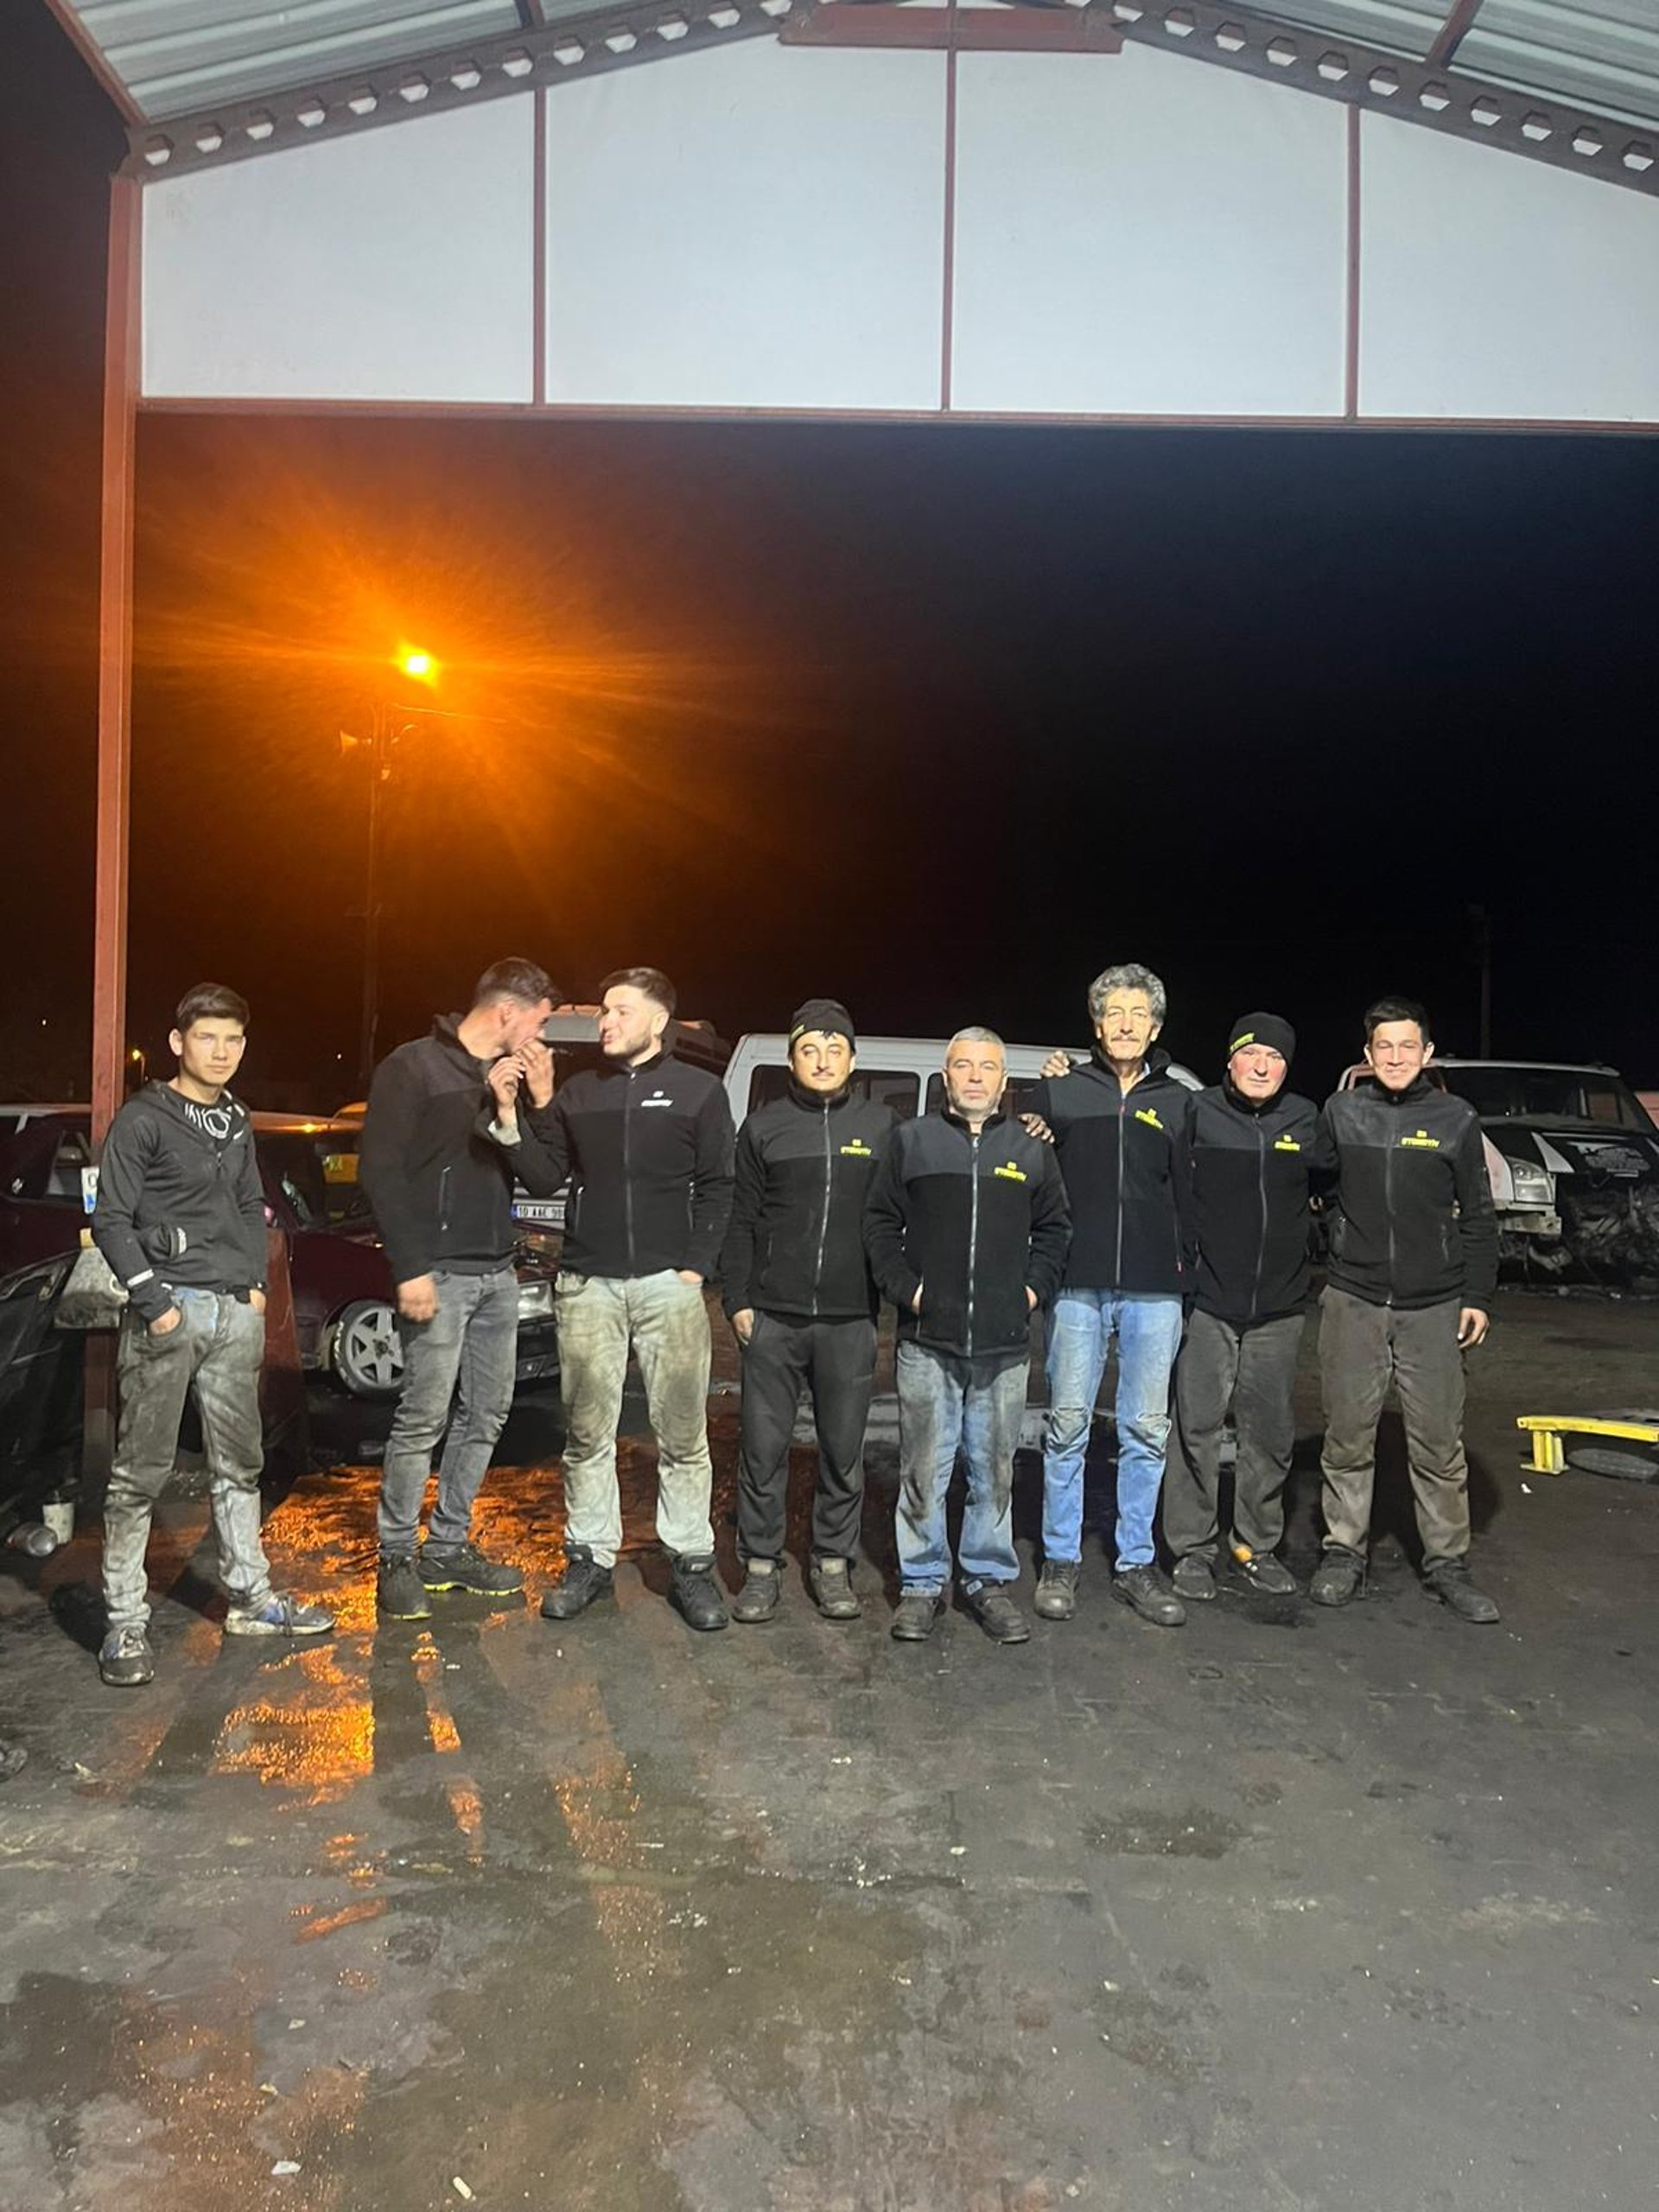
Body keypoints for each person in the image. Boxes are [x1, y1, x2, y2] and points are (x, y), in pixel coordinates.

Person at [91, 982, 335, 1687]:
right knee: (140, 1474)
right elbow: (112, 1220)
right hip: (170, 1313)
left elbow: (246, 1203)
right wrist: (155, 1302)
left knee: (241, 1465)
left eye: (232, 1039)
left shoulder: (234, 1118)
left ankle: (251, 1600)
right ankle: (126, 1625)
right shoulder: (144, 1120)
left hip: (233, 1313)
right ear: (177, 1042)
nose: (222, 1051)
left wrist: (253, 1289)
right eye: (207, 1037)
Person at [508, 969, 736, 1631]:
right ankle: (589, 1557)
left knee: (683, 1434)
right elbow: (547, 1174)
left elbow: (719, 1185)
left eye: (619, 1011)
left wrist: (696, 1268)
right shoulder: (581, 1092)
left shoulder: (700, 1093)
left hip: (669, 1285)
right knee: (587, 1433)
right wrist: (535, 1105)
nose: (605, 1022)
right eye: (605, 1010)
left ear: (659, 1021)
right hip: (588, 1284)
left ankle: (691, 1563)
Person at [360, 957, 560, 1621]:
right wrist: (409, 1266)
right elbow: (380, 1171)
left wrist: (514, 1107)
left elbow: (538, 1178)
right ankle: (396, 1558)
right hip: (437, 1273)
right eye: (538, 1021)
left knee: (488, 1413)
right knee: (422, 1417)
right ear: (508, 1010)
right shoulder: (413, 1067)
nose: (540, 1036)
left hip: (496, 1273)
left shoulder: (507, 1081)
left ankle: (447, 1546)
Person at [864, 1029, 1070, 1645]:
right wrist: (912, 1292)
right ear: (946, 1076)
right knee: (924, 1467)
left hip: (1005, 1345)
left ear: (1005, 1082)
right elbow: (878, 1224)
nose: (975, 1077)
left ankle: (986, 1580)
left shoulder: (1030, 1150)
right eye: (963, 1066)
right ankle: (923, 1583)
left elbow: (1056, 1230)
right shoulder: (911, 1141)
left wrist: (1030, 1294)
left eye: (988, 1067)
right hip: (928, 1341)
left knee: (993, 1470)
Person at [1311, 996, 1500, 1622]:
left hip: (1434, 1305)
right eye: (1383, 1047)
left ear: (1428, 1053)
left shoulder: (1456, 1119)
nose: (1395, 1057)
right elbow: (1309, 1181)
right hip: (1354, 1298)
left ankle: (1447, 1563)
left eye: (1407, 1047)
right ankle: (1343, 1552)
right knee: (1347, 1436)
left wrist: (1476, 1296)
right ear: (1366, 1056)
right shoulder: (1341, 1112)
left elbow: (1478, 1216)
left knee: (1438, 1442)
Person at [1026, 965, 1194, 1626]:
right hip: (1075, 1283)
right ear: (1097, 1025)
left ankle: (1135, 1563)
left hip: (1156, 1289)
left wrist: (1190, 1275)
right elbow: (1028, 1176)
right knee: (1066, 1424)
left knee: (1147, 1431)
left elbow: (1190, 1196)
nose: (1125, 1024)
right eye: (1113, 1013)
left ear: (1155, 1027)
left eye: (1138, 1013)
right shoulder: (1059, 1092)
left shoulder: (1181, 1103)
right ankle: (1060, 1559)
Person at [720, 999, 893, 1623]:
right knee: (762, 1449)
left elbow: (894, 1221)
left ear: (853, 1057)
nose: (823, 1061)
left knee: (843, 1452)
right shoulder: (763, 1128)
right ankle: (760, 1569)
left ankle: (831, 1566)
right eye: (809, 1050)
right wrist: (738, 1302)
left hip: (849, 1320)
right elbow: (739, 1222)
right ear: (792, 1059)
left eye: (834, 1049)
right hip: (773, 1318)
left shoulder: (882, 1128)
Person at [1163, 1013, 1318, 1603]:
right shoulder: (1196, 1112)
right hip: (1207, 1303)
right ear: (1229, 1060)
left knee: (1270, 1433)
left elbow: (1336, 1182)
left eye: (1274, 1058)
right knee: (1196, 1429)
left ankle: (1255, 1545)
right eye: (1251, 1055)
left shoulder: (1305, 1120)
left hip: (1279, 1307)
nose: (1261, 1066)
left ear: (1286, 1066)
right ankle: (1192, 1549)